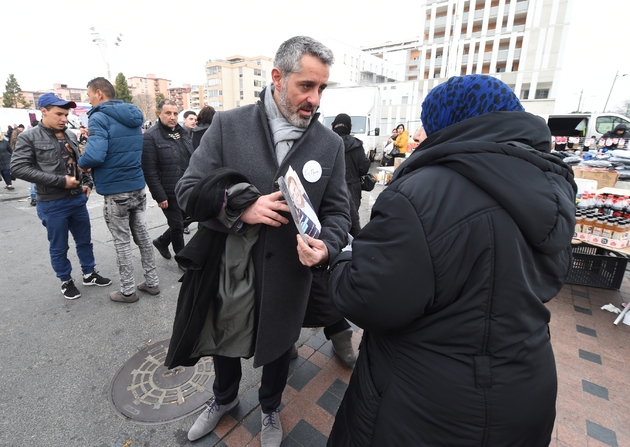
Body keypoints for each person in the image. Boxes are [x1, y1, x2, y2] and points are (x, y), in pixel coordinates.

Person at [326, 74, 576, 446]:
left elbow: (367, 298)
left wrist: (341, 259)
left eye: (429, 127)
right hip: (524, 386)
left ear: (451, 123)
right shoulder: (550, 182)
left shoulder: (423, 193)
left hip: (430, 404)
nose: (422, 137)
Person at [174, 36, 350, 446]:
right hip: (231, 268)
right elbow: (188, 190)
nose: (315, 98)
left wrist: (327, 246)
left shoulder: (330, 144)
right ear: (277, 77)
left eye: (322, 88)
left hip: (289, 275)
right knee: (224, 341)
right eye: (306, 85)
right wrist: (240, 208)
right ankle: (223, 399)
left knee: (278, 348)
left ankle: (270, 409)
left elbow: (340, 213)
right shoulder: (228, 125)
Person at [11, 93, 112, 300]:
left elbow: (78, 162)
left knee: (85, 240)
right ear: (44, 111)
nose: (64, 119)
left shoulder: (70, 135)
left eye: (66, 114)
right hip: (52, 202)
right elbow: (18, 168)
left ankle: (89, 273)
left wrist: (87, 183)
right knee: (59, 246)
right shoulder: (28, 137)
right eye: (59, 114)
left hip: (77, 199)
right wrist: (60, 181)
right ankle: (65, 280)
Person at [78, 77, 160, 303]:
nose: (89, 99)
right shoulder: (133, 115)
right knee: (143, 237)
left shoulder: (99, 117)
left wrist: (81, 163)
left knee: (122, 242)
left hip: (116, 190)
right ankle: (152, 283)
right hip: (136, 186)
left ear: (99, 94)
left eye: (89, 95)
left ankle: (128, 291)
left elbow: (95, 155)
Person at [142, 99, 194, 269]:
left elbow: (190, 158)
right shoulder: (151, 136)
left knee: (189, 218)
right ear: (159, 114)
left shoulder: (182, 132)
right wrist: (159, 195)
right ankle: (182, 258)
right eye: (168, 113)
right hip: (168, 191)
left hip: (185, 188)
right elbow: (149, 170)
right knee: (178, 226)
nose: (172, 117)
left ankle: (162, 241)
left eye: (175, 114)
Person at [331, 113, 370, 237]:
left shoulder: (329, 144)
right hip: (353, 188)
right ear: (349, 126)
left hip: (333, 188)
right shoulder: (357, 145)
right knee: (353, 220)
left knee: (334, 219)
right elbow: (363, 168)